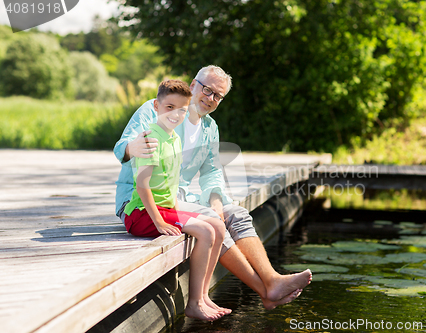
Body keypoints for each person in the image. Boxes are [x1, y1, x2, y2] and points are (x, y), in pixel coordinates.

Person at [114, 65, 312, 310]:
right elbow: (123, 144)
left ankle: (272, 279)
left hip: (179, 197)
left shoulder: (210, 128)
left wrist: (217, 198)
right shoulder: (161, 108)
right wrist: (132, 147)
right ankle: (264, 290)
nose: (211, 98)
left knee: (235, 213)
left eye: (218, 96)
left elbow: (211, 171)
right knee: (211, 219)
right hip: (143, 201)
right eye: (207, 90)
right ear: (193, 84)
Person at [123, 79, 229, 321]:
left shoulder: (174, 139)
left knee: (218, 227)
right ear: (156, 106)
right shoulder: (151, 139)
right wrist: (160, 222)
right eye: (169, 107)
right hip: (141, 214)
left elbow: (170, 184)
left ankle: (203, 296)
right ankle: (193, 304)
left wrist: (181, 212)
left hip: (165, 209)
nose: (176, 114)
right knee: (206, 232)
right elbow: (142, 185)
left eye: (182, 109)